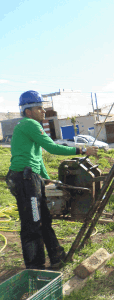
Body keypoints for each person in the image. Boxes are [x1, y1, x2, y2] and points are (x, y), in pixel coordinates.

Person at [5, 90, 98, 270]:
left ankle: (57, 256)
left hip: (31, 177)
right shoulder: (30, 124)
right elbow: (52, 148)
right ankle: (35, 267)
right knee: (32, 224)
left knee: (44, 219)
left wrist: (46, 179)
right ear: (28, 111)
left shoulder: (29, 126)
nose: (43, 111)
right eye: (39, 108)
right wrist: (82, 150)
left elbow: (37, 157)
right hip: (24, 180)